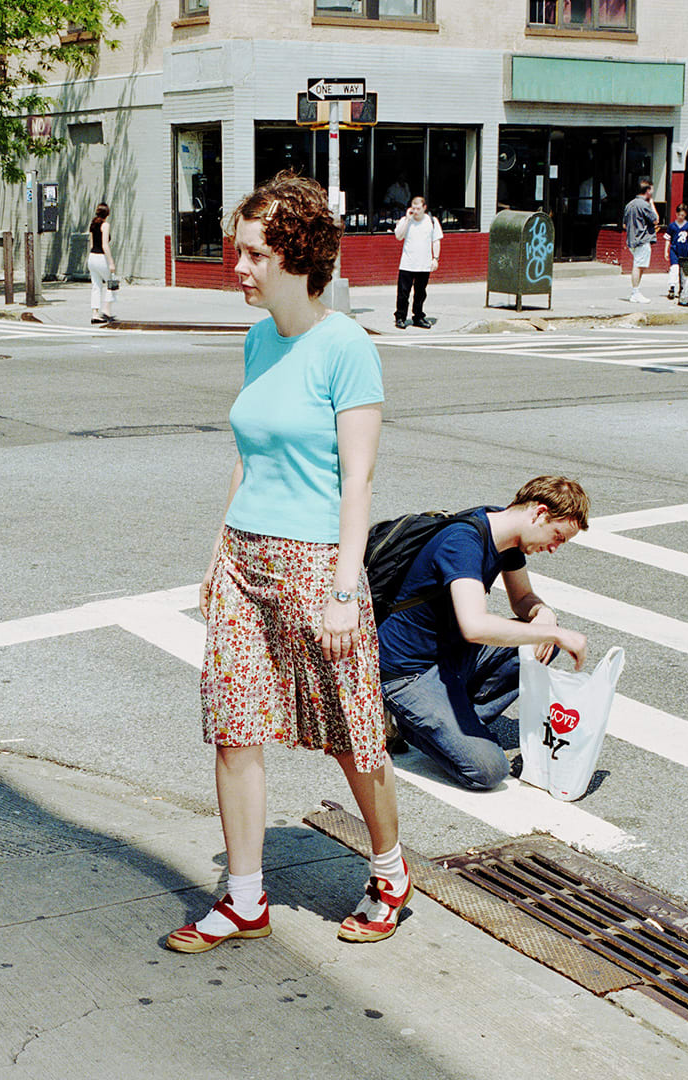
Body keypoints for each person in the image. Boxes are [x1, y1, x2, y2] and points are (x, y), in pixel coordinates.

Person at [169, 170, 402, 954]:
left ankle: (391, 870)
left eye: (252, 253)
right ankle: (243, 899)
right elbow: (248, 456)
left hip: (314, 566)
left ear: (297, 256)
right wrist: (215, 551)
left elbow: (358, 481)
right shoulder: (257, 337)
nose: (237, 266)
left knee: (350, 732)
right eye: (238, 251)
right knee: (235, 727)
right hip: (242, 558)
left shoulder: (346, 348)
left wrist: (344, 590)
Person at [377, 479, 591, 791]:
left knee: (539, 645)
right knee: (489, 770)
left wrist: (545, 615)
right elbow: (474, 626)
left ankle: (453, 721)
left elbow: (522, 600)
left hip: (450, 655)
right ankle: (414, 724)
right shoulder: (463, 541)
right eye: (557, 536)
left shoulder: (505, 534)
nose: (554, 548)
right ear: (540, 513)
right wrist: (553, 633)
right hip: (407, 673)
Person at [392, 196, 442, 330]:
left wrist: (435, 258)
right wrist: (407, 219)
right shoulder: (405, 221)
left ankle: (418, 317)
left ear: (424, 208)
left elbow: (436, 241)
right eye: (413, 208)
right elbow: (398, 236)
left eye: (418, 208)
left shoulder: (432, 221)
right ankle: (400, 317)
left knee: (420, 293)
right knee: (403, 293)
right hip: (407, 263)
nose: (416, 211)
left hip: (424, 264)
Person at [622, 180, 659, 304]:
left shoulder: (629, 204)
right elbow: (655, 220)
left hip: (631, 239)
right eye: (652, 190)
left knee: (639, 265)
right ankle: (635, 293)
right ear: (647, 191)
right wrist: (652, 203)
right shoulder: (644, 205)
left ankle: (636, 291)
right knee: (638, 266)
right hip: (642, 239)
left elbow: (624, 225)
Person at [87, 202, 118, 324]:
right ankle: (106, 310)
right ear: (107, 214)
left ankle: (95, 313)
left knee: (96, 286)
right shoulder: (105, 225)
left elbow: (91, 242)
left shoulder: (92, 225)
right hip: (101, 257)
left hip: (92, 257)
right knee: (111, 283)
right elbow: (105, 245)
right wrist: (111, 262)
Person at [664, 204, 688, 300]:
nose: (680, 217)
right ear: (676, 214)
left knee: (684, 271)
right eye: (679, 215)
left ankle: (683, 289)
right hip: (674, 249)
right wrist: (666, 251)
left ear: (685, 215)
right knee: (674, 268)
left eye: (682, 215)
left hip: (685, 250)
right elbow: (668, 239)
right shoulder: (672, 226)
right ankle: (672, 287)